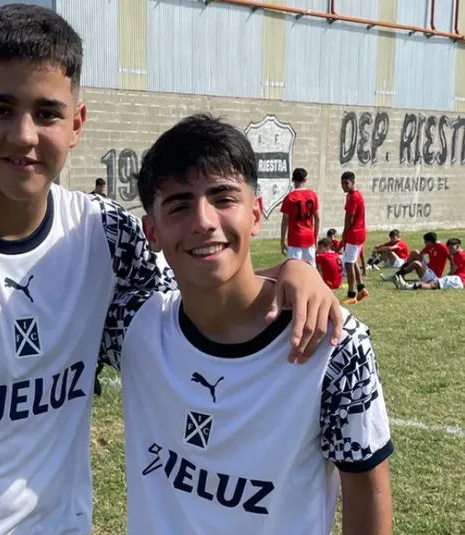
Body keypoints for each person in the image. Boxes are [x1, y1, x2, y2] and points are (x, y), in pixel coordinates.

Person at [0, 5, 342, 535]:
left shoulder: (103, 232)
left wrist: (290, 271)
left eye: (47, 113)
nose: (23, 135)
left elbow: (200, 289)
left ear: (77, 123)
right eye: (1, 109)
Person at [98, 114, 393, 535]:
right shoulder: (131, 325)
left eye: (223, 199)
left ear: (256, 214)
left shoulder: (333, 343)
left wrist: (294, 267)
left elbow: (366, 492)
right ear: (152, 232)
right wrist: (290, 266)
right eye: (179, 205)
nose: (203, 220)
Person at [279, 167, 320, 266]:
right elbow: (317, 218)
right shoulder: (313, 195)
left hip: (295, 238)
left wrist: (282, 240)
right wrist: (316, 237)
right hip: (309, 236)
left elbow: (284, 222)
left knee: (294, 268)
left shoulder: (289, 198)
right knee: (311, 268)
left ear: (293, 180)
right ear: (305, 180)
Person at [393, 238, 464, 291]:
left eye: (451, 248)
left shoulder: (459, 255)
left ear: (458, 246)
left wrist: (446, 277)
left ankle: (405, 284)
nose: (450, 250)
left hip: (458, 279)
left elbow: (453, 270)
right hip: (458, 280)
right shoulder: (459, 254)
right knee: (432, 283)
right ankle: (407, 285)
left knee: (433, 284)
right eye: (448, 249)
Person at [340, 171, 368, 304]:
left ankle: (351, 294)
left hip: (354, 233)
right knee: (353, 261)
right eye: (342, 183)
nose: (344, 186)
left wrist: (345, 232)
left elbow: (349, 218)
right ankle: (361, 288)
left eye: (347, 183)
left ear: (353, 182)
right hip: (360, 232)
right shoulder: (354, 195)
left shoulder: (353, 197)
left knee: (349, 263)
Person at [381, 231, 448, 283]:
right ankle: (401, 273)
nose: (424, 242)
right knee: (415, 253)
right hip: (428, 269)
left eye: (425, 241)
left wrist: (451, 274)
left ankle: (396, 276)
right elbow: (420, 254)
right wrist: (408, 264)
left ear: (430, 242)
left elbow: (450, 257)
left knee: (416, 263)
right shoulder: (429, 246)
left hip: (433, 276)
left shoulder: (442, 247)